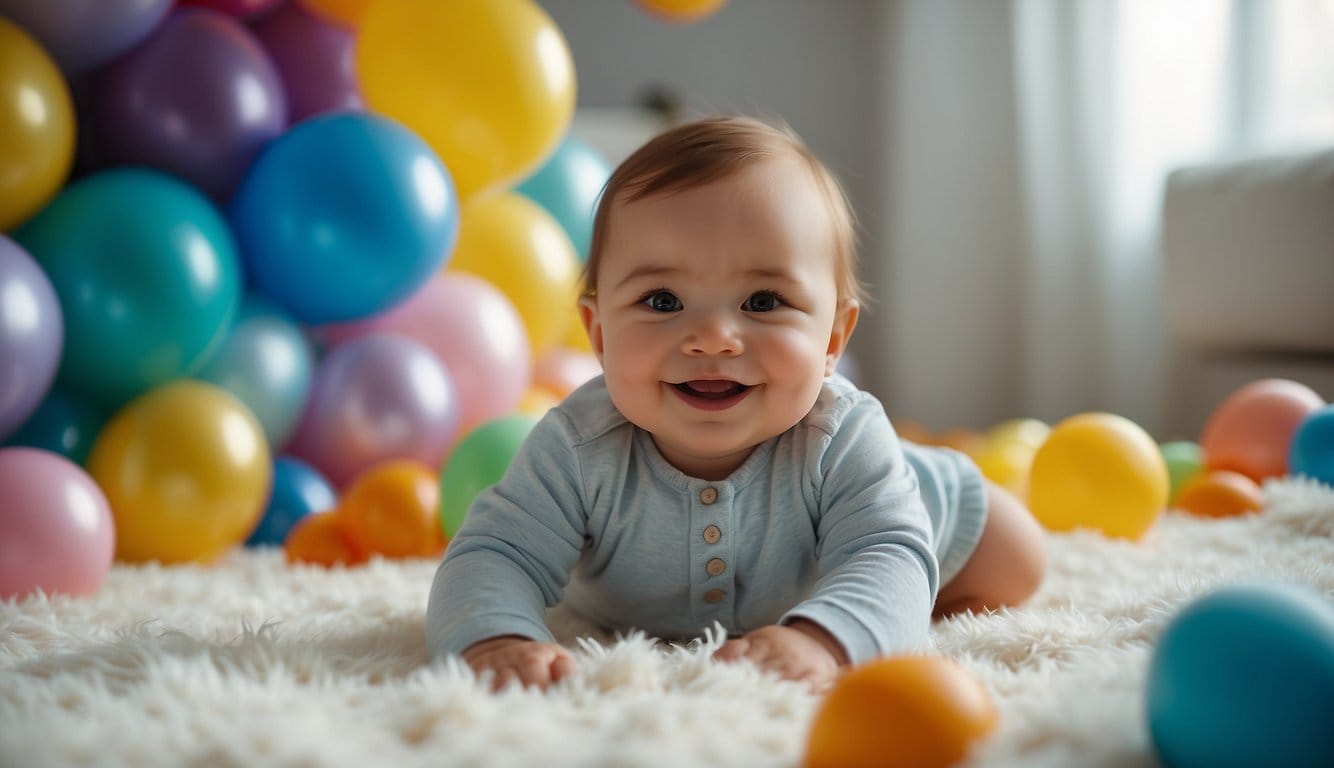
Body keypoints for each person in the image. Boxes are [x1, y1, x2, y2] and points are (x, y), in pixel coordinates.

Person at [426, 116, 1047, 692]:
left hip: (893, 501)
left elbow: (888, 553)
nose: (715, 337)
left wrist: (826, 639)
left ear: (831, 339)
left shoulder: (842, 435)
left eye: (763, 302)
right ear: (598, 335)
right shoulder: (577, 445)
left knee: (1018, 559)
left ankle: (882, 550)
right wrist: (496, 637)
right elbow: (493, 554)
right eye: (663, 301)